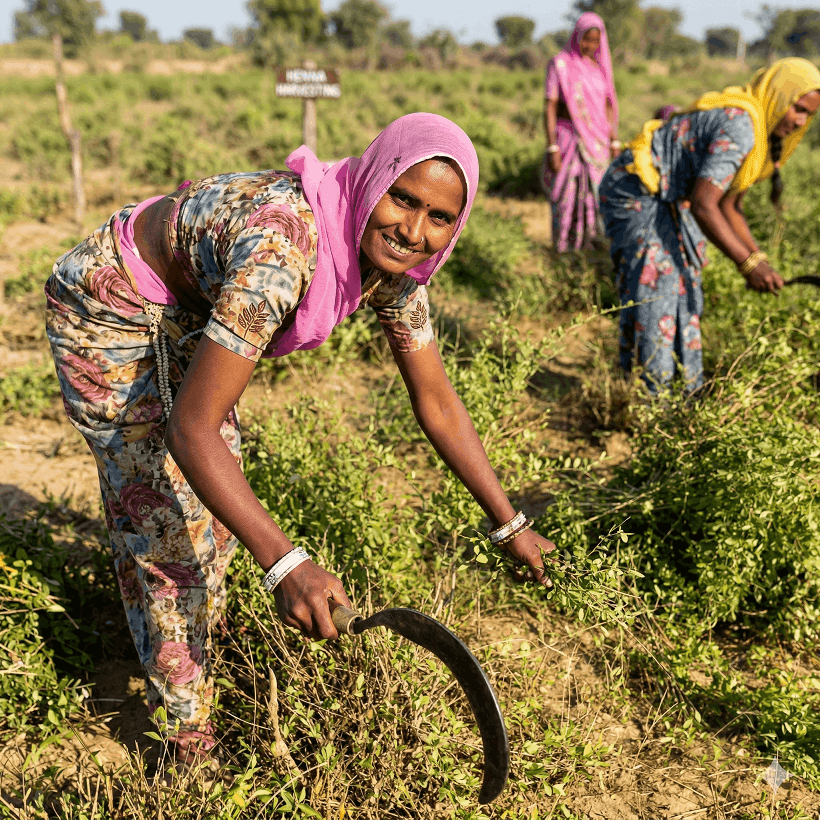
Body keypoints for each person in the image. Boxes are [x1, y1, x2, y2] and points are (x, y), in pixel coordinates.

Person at [44, 113, 557, 773]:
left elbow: (437, 402)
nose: (413, 230)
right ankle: (188, 748)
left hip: (192, 307)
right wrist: (287, 565)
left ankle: (210, 637)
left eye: (439, 217)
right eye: (402, 199)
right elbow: (190, 429)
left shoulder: (395, 269)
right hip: (110, 303)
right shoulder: (284, 245)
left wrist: (508, 521)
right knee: (161, 520)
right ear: (374, 180)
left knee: (217, 498)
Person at [599, 58, 820, 394]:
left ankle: (684, 394)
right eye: (798, 109)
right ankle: (651, 403)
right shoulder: (741, 125)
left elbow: (729, 205)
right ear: (779, 94)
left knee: (687, 283)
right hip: (637, 189)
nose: (800, 121)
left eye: (809, 115)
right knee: (658, 288)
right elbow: (704, 205)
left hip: (669, 195)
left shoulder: (758, 132)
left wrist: (757, 259)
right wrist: (746, 265)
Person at [542, 13, 620, 252]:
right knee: (566, 199)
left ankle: (593, 252)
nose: (590, 45)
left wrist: (614, 140)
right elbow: (550, 106)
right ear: (576, 36)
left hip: (598, 145)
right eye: (586, 39)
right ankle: (565, 251)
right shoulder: (560, 64)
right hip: (569, 141)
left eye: (595, 40)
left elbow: (608, 106)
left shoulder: (600, 70)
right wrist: (552, 146)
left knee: (598, 201)